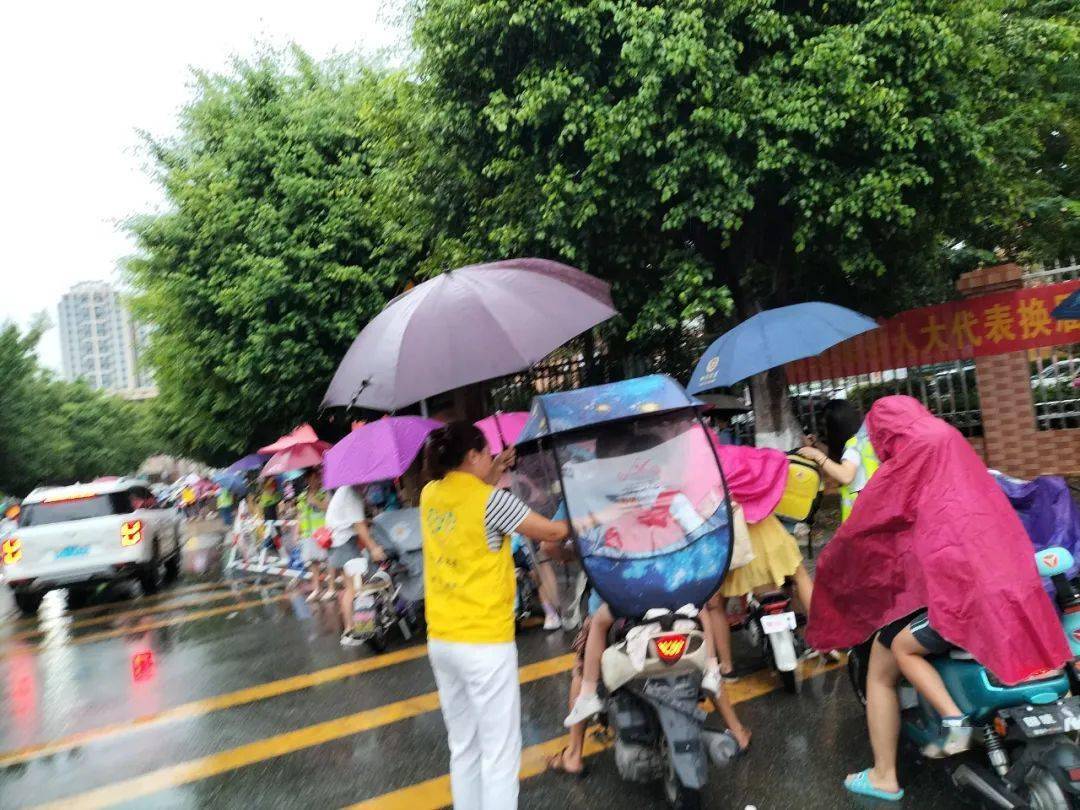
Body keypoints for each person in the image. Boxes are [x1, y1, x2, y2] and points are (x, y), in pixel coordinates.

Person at [807, 396, 1072, 801]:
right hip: (1012, 586)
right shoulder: (951, 447)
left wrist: (835, 562)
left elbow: (869, 524)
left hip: (962, 597)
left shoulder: (908, 461)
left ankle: (889, 771)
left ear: (885, 433)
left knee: (887, 657)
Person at [421, 421, 569, 810]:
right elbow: (551, 532)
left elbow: (470, 495)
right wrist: (589, 520)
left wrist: (498, 465)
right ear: (472, 456)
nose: (492, 459)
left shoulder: (429, 495)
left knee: (464, 747)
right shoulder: (493, 502)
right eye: (486, 453)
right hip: (484, 642)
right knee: (501, 754)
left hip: (443, 640)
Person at [798, 399, 879, 522]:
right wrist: (816, 444)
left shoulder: (853, 447)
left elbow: (846, 476)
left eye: (825, 426)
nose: (824, 431)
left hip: (862, 516)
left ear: (835, 426)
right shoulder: (864, 439)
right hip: (874, 506)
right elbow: (846, 461)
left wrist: (817, 455)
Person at [323, 484, 384, 614]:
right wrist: (374, 548)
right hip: (343, 545)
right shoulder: (351, 494)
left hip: (337, 544)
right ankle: (354, 627)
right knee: (354, 589)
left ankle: (354, 627)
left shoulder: (343, 490)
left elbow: (354, 521)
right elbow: (359, 526)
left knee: (352, 588)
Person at [296, 469, 331, 603]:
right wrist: (297, 532)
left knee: (327, 561)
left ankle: (330, 588)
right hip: (308, 534)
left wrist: (315, 501)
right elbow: (300, 514)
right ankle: (317, 589)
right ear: (307, 480)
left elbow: (328, 508)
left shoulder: (324, 493)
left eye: (317, 477)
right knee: (313, 562)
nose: (315, 480)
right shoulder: (302, 496)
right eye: (312, 478)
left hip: (323, 532)